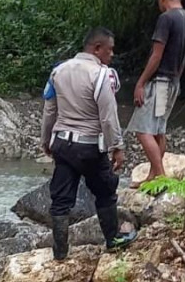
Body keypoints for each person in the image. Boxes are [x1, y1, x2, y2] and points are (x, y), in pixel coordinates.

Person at [41, 27, 137, 260]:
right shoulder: (102, 75)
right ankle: (113, 239)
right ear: (97, 48)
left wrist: (46, 140)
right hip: (89, 146)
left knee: (61, 199)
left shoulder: (58, 71)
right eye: (110, 49)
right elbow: (108, 115)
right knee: (105, 191)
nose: (112, 54)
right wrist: (117, 147)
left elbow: (49, 110)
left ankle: (60, 252)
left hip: (62, 144)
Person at [128, 0, 185, 188]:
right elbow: (182, 58)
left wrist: (140, 83)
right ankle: (153, 174)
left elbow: (156, 56)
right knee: (159, 129)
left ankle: (160, 176)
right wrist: (176, 80)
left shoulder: (166, 19)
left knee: (142, 129)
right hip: (173, 81)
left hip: (160, 82)